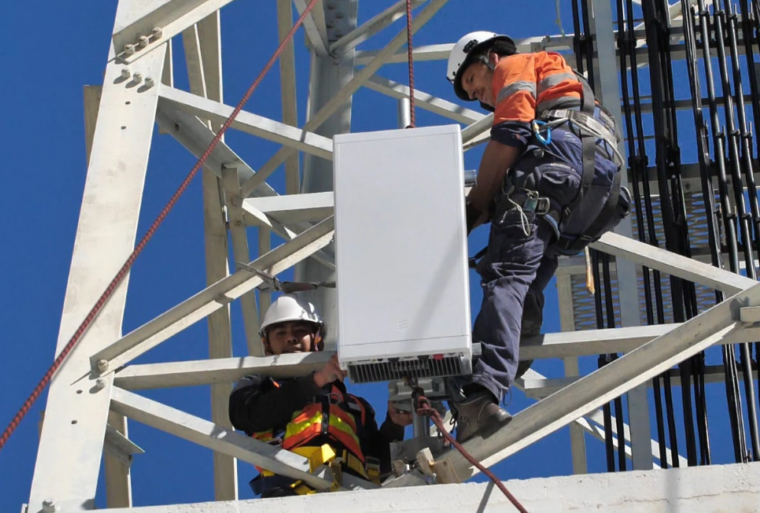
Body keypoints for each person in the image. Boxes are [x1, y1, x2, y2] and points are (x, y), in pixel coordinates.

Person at [445, 31, 631, 442]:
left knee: (506, 275)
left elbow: (509, 135)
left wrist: (473, 209)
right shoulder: (566, 82)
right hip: (598, 189)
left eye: (474, 80)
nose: (479, 95)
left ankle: (483, 392)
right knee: (526, 276)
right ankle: (516, 346)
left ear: (492, 57)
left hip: (558, 167)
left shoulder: (515, 66)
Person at [229, 294, 412, 497]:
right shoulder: (260, 385)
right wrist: (316, 381)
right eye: (280, 333)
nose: (291, 338)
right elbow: (247, 415)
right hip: (287, 495)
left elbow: (379, 462)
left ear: (318, 341)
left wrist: (395, 424)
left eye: (300, 331)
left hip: (351, 494)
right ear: (267, 345)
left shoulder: (354, 406)